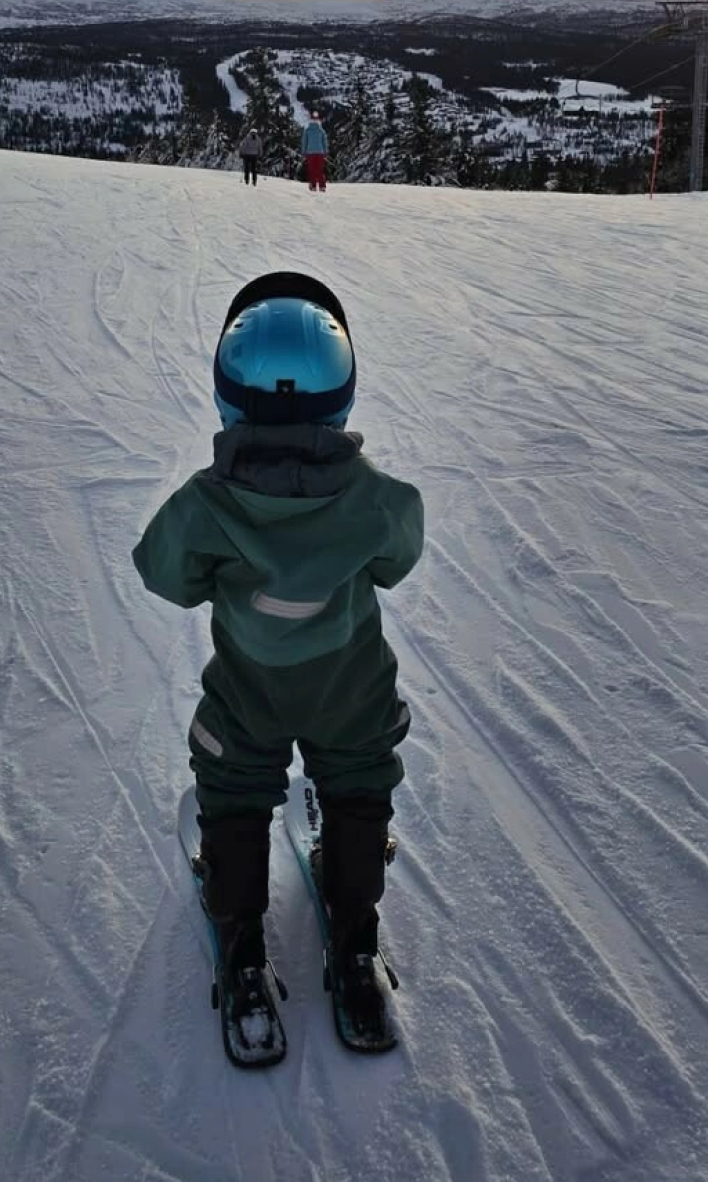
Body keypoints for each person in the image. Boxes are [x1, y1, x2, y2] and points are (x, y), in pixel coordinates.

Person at [132, 271, 423, 1035]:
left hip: (250, 690)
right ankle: (356, 941)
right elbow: (398, 557)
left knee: (233, 788)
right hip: (351, 689)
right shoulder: (377, 497)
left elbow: (162, 572)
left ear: (227, 396)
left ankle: (243, 944)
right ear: (344, 395)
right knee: (358, 784)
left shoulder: (206, 504)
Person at [300, 112, 329, 191]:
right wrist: (326, 152)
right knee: (319, 170)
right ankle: (322, 186)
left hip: (310, 153)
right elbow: (325, 142)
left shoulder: (307, 130)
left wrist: (303, 153)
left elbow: (304, 142)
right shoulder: (321, 131)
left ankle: (313, 186)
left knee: (312, 169)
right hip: (320, 153)